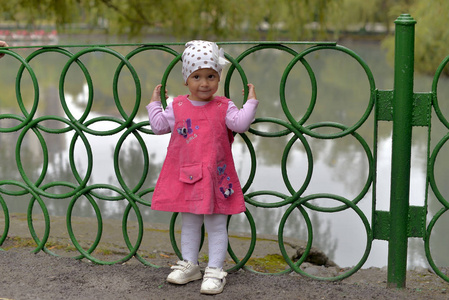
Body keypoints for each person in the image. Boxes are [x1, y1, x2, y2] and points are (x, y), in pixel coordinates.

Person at [146, 40, 258, 295]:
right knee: (190, 223)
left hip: (217, 177)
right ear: (186, 79)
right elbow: (159, 126)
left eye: (211, 76)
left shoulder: (224, 106)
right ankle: (190, 264)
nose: (204, 83)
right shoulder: (178, 106)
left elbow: (240, 124)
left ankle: (215, 269)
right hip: (188, 176)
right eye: (196, 76)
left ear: (219, 77)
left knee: (217, 224)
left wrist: (250, 103)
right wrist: (155, 104)